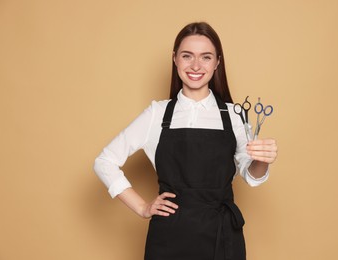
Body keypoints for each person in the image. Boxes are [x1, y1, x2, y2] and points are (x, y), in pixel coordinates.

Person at [94, 22, 278, 260]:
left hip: (222, 236)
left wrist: (263, 160)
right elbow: (104, 161)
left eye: (206, 57)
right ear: (175, 59)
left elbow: (251, 175)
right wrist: (142, 207)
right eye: (187, 56)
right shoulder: (157, 114)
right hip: (169, 237)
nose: (196, 65)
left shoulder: (235, 115)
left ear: (217, 62)